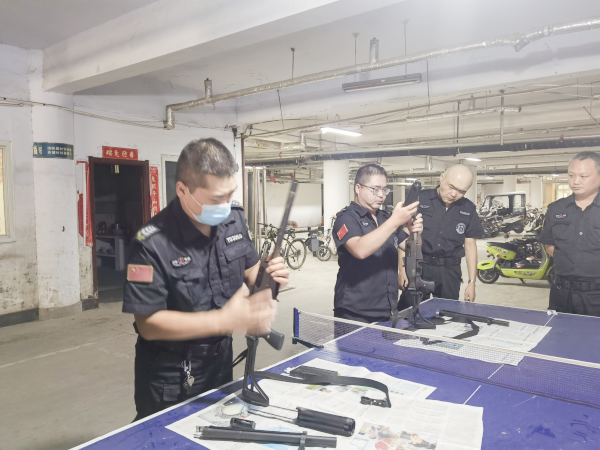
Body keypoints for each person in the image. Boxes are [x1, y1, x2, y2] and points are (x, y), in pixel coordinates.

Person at [123, 138, 289, 420]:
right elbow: (148, 324)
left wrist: (271, 279)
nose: (225, 205)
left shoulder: (233, 220)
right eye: (215, 199)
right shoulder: (150, 242)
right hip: (171, 374)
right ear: (183, 190)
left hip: (221, 361)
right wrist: (222, 320)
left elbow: (252, 272)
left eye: (230, 194)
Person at [332, 164, 423, 323]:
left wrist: (415, 233)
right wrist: (395, 221)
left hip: (387, 308)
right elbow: (360, 249)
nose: (381, 195)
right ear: (358, 188)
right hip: (355, 312)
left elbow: (412, 249)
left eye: (384, 189)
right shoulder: (346, 218)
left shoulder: (385, 218)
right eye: (375, 189)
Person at [399, 164, 483, 307]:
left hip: (450, 272)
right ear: (442, 177)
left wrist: (472, 282)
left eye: (461, 191)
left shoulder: (468, 209)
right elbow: (404, 235)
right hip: (419, 266)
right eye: (451, 187)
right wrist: (402, 269)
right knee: (409, 311)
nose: (454, 194)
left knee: (447, 313)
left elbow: (470, 246)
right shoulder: (420, 199)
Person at [539, 151, 600, 316]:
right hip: (561, 294)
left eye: (583, 176)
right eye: (571, 175)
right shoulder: (555, 209)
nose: (575, 181)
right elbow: (549, 245)